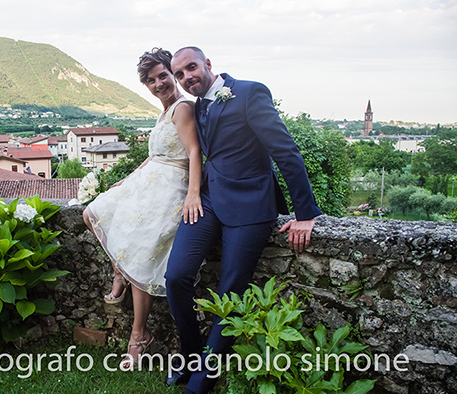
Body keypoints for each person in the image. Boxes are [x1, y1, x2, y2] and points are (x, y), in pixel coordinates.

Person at [165, 47, 322, 394]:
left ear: (207, 64)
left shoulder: (250, 92)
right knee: (176, 276)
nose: (186, 77)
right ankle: (189, 355)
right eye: (179, 74)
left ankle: (205, 375)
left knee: (230, 290)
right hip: (207, 201)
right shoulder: (197, 105)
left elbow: (285, 151)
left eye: (191, 68)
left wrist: (306, 214)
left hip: (251, 204)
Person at [82, 48, 203, 368]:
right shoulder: (162, 113)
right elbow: (153, 156)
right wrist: (126, 180)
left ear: (173, 75)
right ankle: (118, 269)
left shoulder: (182, 108)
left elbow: (193, 153)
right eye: (151, 81)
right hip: (149, 180)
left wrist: (192, 194)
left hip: (171, 187)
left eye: (163, 76)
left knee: (141, 252)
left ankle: (138, 337)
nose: (159, 84)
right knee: (90, 213)